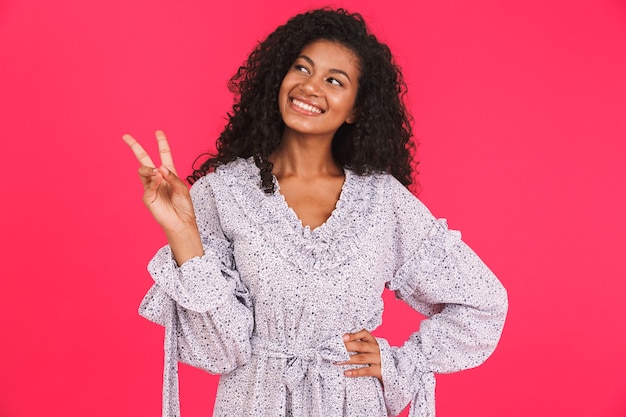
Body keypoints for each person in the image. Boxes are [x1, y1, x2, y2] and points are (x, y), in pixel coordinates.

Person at [123, 8, 508, 417]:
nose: (310, 87)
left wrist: (403, 360)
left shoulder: (382, 200)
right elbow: (221, 351)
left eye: (333, 80)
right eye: (301, 69)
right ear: (279, 78)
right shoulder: (223, 192)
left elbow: (483, 303)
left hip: (353, 405)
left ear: (357, 108)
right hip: (253, 403)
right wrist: (183, 233)